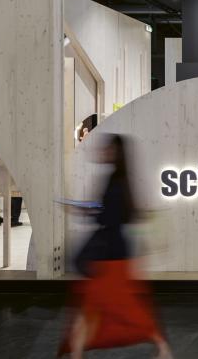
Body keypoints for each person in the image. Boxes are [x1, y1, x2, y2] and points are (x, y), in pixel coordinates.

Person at [60, 134, 172, 359]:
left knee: (114, 306)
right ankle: (77, 353)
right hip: (114, 252)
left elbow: (108, 217)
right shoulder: (120, 180)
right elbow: (122, 215)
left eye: (108, 149)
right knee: (102, 305)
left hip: (108, 255)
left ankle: (161, 346)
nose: (103, 152)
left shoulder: (114, 182)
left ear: (116, 153)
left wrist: (84, 211)